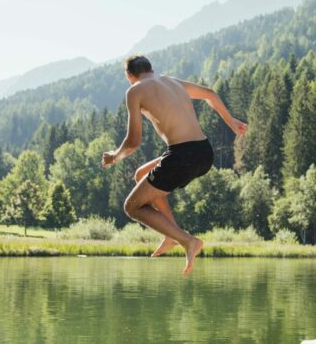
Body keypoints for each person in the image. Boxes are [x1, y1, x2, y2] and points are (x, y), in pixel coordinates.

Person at [101, 55, 247, 275]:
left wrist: (113, 157)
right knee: (143, 174)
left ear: (129, 77)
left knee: (132, 207)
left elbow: (132, 142)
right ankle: (170, 234)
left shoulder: (135, 91)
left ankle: (187, 241)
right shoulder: (171, 81)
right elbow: (210, 93)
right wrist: (232, 121)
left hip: (182, 156)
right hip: (203, 152)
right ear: (152, 68)